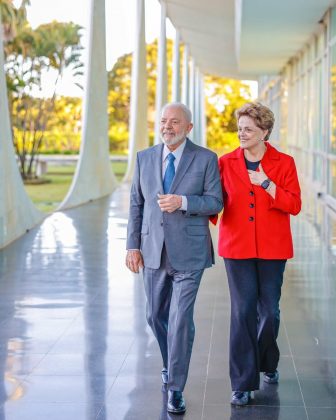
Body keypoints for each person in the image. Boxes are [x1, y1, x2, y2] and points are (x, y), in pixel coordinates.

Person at [126, 102, 223, 414]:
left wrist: (182, 201)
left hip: (190, 253)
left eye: (175, 122)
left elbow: (215, 202)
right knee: (154, 316)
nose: (167, 126)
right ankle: (172, 363)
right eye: (164, 121)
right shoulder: (144, 158)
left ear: (188, 128)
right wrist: (132, 246)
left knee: (181, 319)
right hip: (152, 250)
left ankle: (175, 387)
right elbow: (136, 205)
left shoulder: (206, 158)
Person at [217, 102, 301, 406]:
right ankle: (241, 382)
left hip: (273, 248)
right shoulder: (225, 163)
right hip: (236, 247)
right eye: (239, 129)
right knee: (242, 312)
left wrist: (267, 184)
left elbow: (294, 204)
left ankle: (268, 359)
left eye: (248, 130)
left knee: (269, 311)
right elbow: (216, 201)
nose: (242, 134)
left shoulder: (284, 163)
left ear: (264, 132)